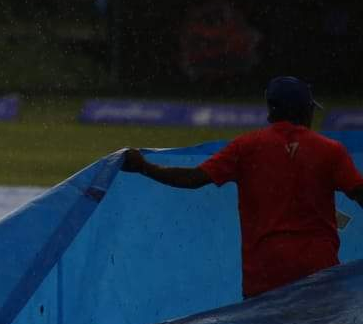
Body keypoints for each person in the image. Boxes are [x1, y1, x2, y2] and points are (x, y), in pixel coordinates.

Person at [123, 76, 363, 299]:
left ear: (271, 111)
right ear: (305, 110)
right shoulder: (331, 151)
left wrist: (144, 167)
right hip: (318, 271)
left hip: (266, 274)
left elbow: (193, 178)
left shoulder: (246, 147)